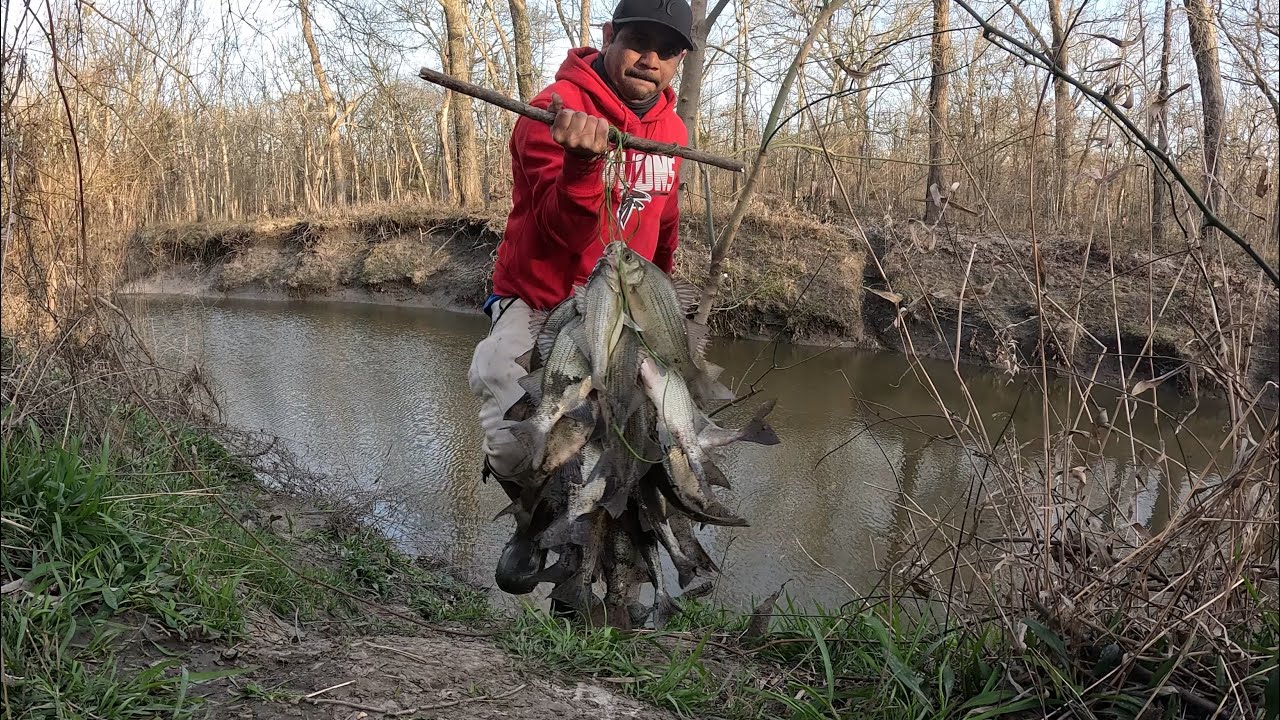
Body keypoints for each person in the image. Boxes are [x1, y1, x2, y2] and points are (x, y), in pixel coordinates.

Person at [467, 0, 695, 594]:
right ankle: (529, 517)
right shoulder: (552, 110)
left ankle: (600, 573)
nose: (651, 59)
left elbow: (663, 222)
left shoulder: (672, 132)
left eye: (667, 50)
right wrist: (581, 165)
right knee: (507, 402)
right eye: (638, 40)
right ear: (610, 35)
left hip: (623, 306)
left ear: (679, 60)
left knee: (641, 438)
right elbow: (557, 233)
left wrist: (661, 302)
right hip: (544, 295)